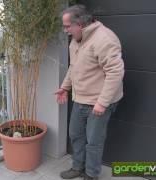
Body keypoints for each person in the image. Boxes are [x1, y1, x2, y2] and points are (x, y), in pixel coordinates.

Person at [55, 5, 125, 180]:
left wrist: (102, 102)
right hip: (80, 99)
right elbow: (74, 67)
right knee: (75, 135)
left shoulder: (105, 39)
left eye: (67, 26)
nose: (66, 31)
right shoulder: (76, 40)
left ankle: (91, 174)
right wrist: (65, 87)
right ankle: (77, 167)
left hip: (98, 102)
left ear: (80, 23)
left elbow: (115, 73)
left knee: (93, 142)